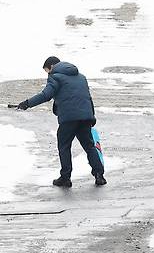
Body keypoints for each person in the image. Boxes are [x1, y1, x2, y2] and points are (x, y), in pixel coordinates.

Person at [17, 56, 106, 187]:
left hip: (69, 118)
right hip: (85, 117)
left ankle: (65, 177)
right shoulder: (81, 77)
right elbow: (87, 97)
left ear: (51, 67)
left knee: (64, 146)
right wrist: (91, 116)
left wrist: (27, 103)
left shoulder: (55, 76)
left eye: (47, 71)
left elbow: (45, 95)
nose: (48, 74)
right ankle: (99, 175)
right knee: (89, 146)